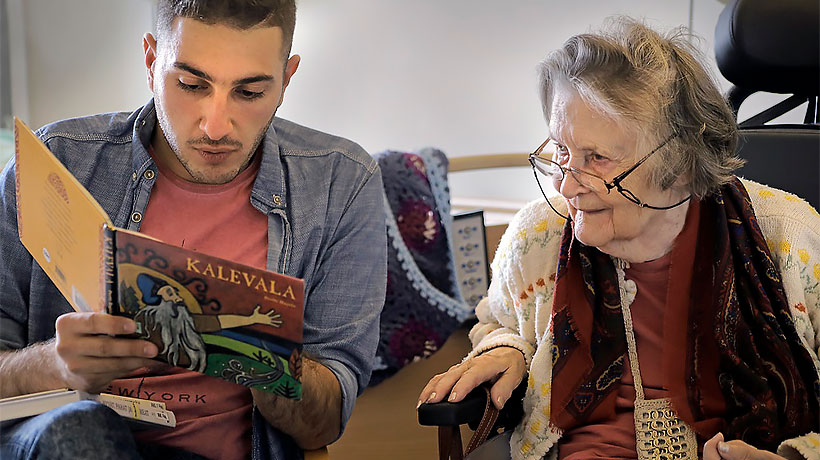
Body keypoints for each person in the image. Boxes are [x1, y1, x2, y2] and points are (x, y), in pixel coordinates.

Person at [0, 1, 387, 459]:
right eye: (190, 84)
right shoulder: (57, 161)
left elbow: (325, 420)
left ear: (286, 78)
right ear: (151, 61)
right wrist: (54, 364)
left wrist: (267, 362)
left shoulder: (342, 184)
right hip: (66, 442)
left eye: (249, 92)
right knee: (80, 430)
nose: (215, 126)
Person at [419, 18, 820, 460]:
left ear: (681, 163)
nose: (566, 187)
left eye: (597, 159)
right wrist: (507, 349)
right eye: (562, 152)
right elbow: (500, 321)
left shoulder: (789, 237)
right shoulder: (537, 236)